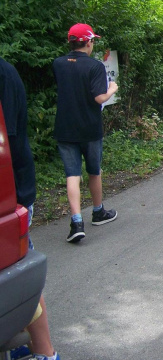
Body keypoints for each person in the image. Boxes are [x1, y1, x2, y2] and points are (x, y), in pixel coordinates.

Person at [0, 57, 60, 360]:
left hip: (11, 197)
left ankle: (45, 353)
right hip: (11, 194)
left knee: (20, 277)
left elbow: (4, 143)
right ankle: (20, 346)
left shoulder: (4, 74)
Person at [53, 23, 119, 243]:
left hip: (65, 127)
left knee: (72, 174)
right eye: (93, 41)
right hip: (89, 127)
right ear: (89, 42)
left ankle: (77, 222)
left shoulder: (58, 64)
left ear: (70, 42)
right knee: (94, 171)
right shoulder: (95, 66)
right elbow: (99, 97)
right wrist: (112, 88)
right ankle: (98, 211)